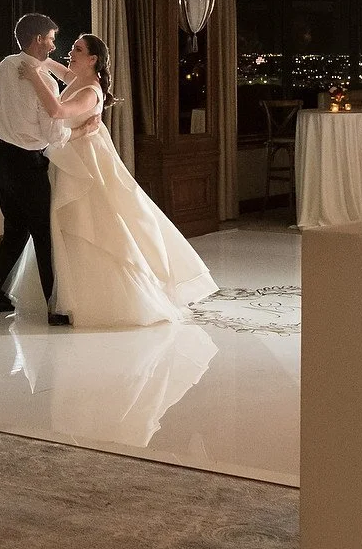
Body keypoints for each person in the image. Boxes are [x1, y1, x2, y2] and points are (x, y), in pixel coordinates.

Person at [13, 33, 218, 328]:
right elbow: (61, 70)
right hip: (68, 158)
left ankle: (97, 297)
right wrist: (39, 59)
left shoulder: (90, 91)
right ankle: (61, 293)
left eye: (77, 49)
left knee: (90, 222)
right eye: (72, 47)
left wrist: (33, 77)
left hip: (85, 163)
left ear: (93, 59)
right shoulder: (77, 77)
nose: (71, 52)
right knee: (65, 225)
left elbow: (57, 111)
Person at [0, 13, 99, 324]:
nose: (54, 44)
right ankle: (55, 308)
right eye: (51, 38)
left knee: (14, 230)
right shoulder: (44, 82)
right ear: (39, 40)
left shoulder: (4, 66)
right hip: (27, 163)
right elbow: (55, 136)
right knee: (44, 234)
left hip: (0, 158)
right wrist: (82, 130)